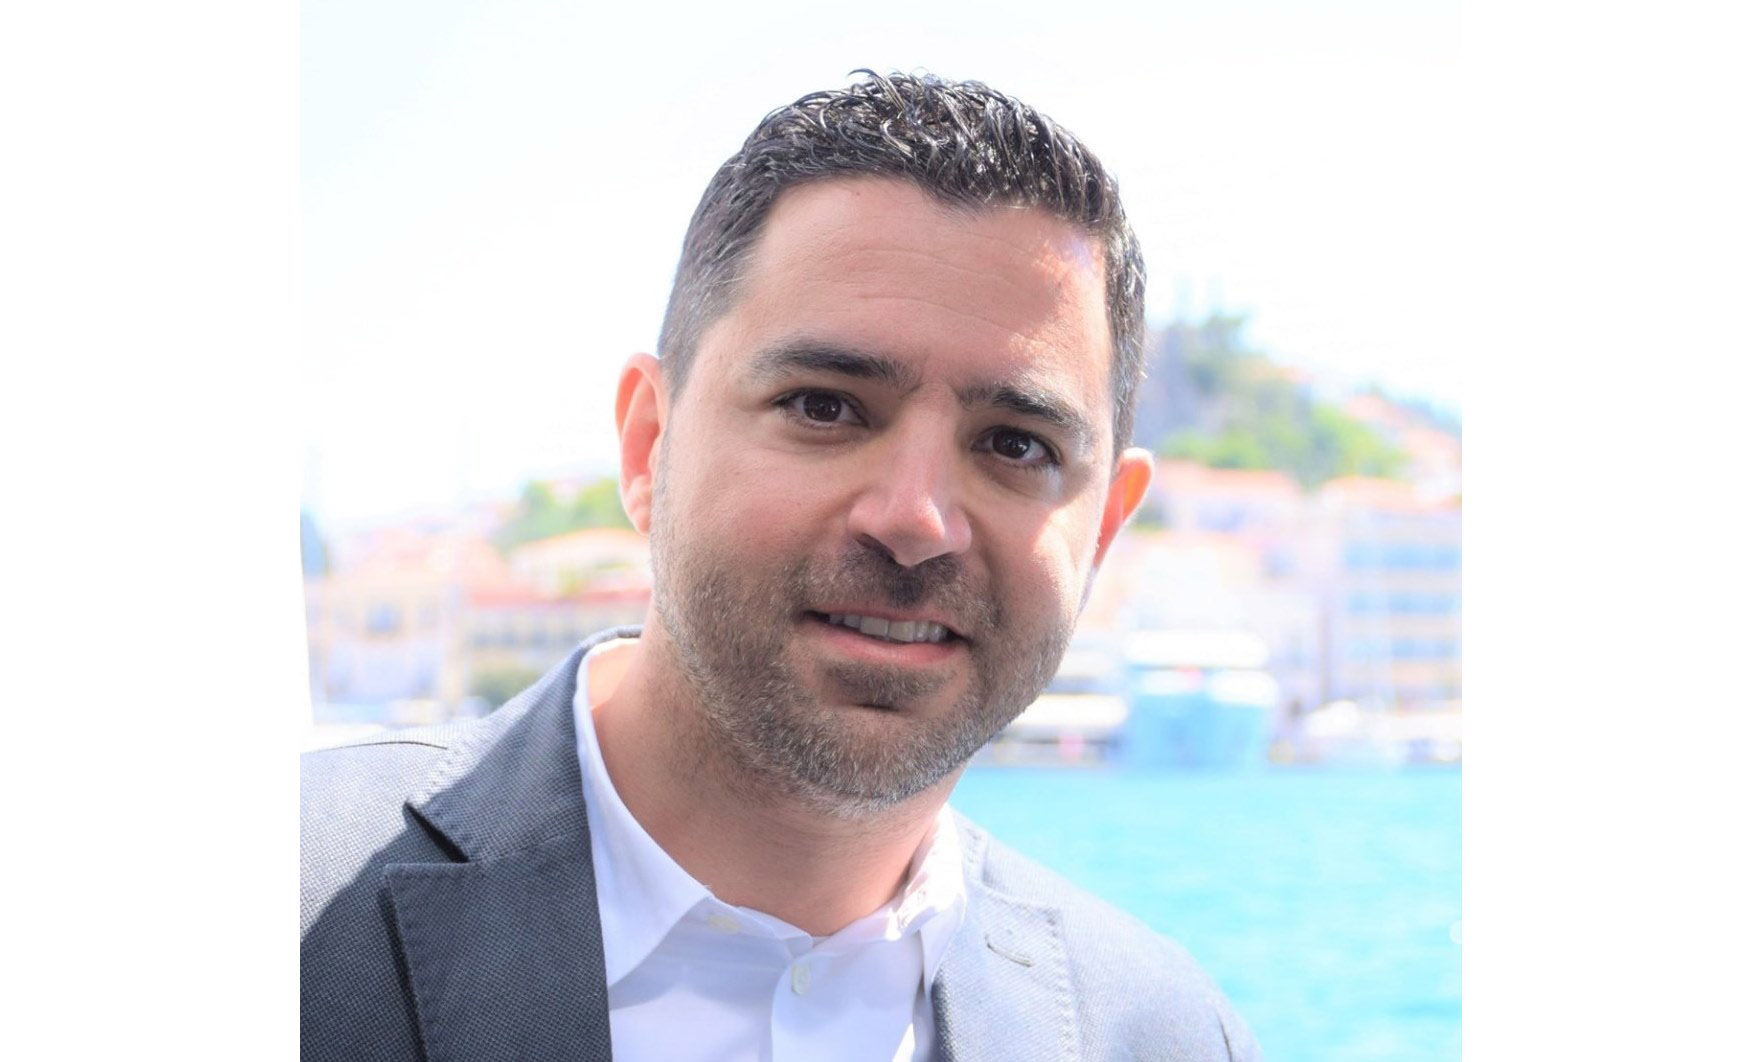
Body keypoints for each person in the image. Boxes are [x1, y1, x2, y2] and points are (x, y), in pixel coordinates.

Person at [301, 70, 1261, 1061]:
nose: (915, 520)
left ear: (1102, 528)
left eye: (1016, 445)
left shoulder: (1162, 1036)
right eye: (824, 408)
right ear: (648, 444)